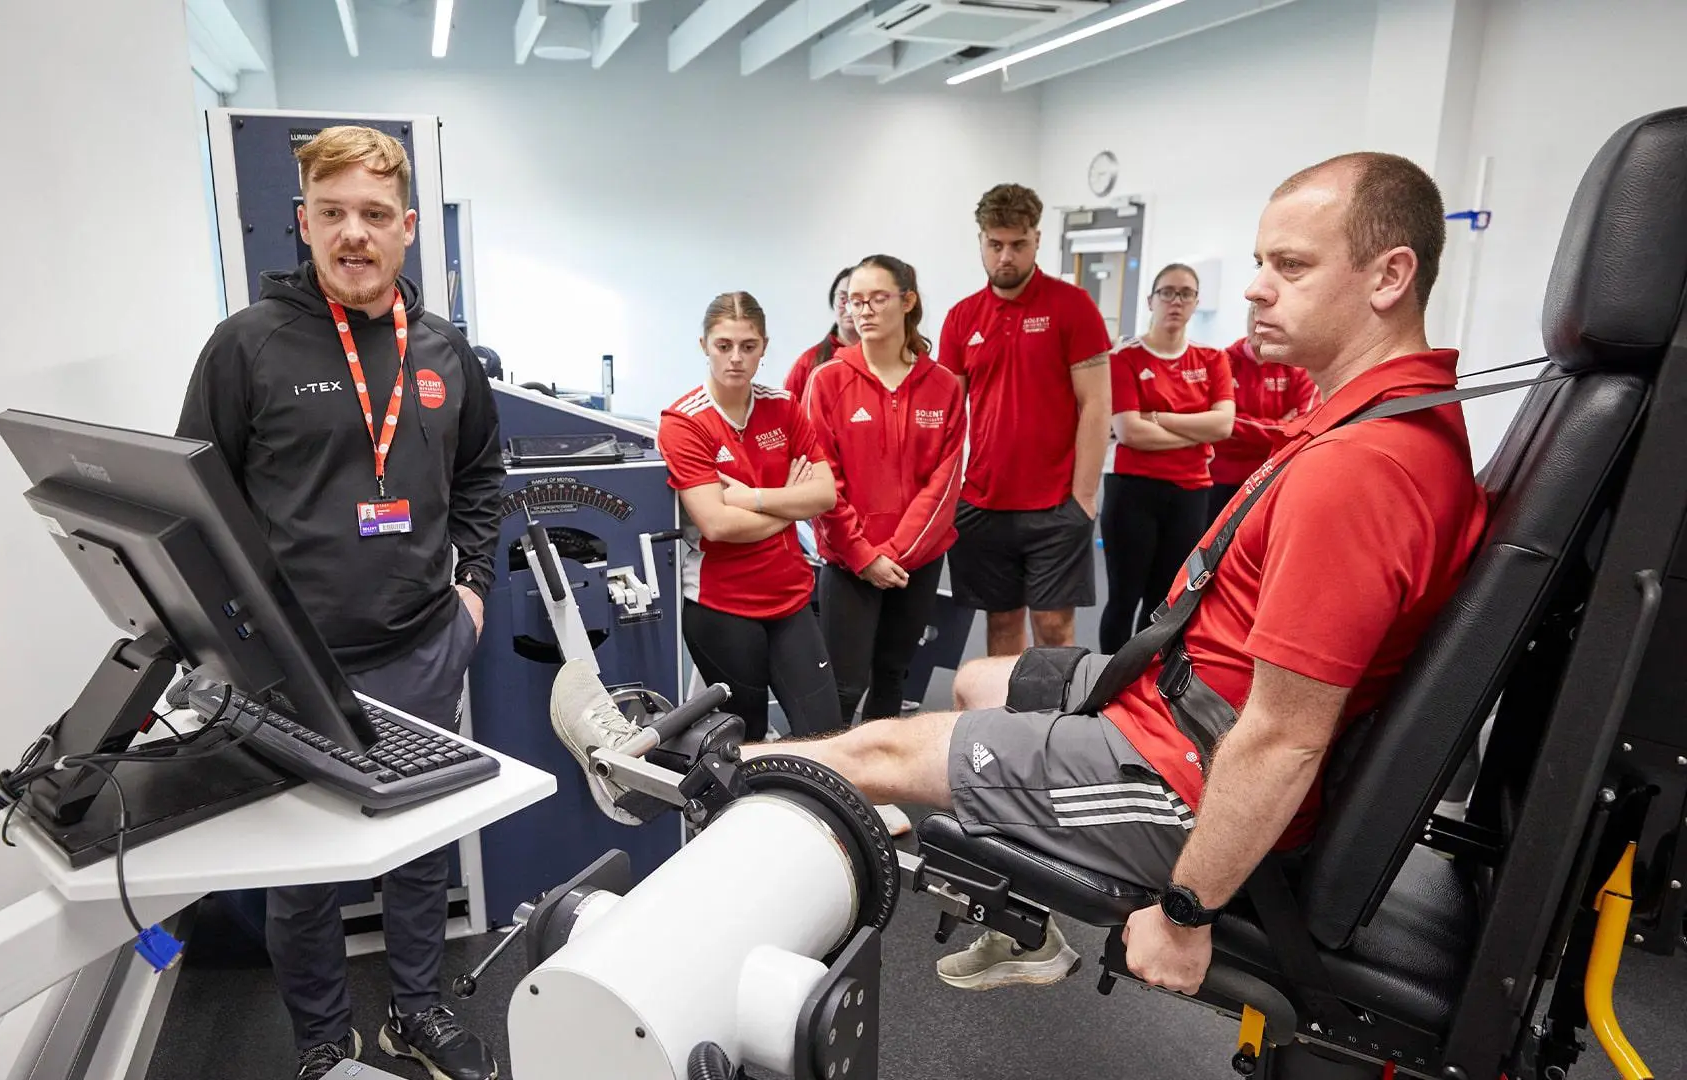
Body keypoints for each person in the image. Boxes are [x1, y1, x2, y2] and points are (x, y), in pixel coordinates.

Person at [555, 151, 1485, 999]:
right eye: (1261, 262)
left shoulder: (1364, 468)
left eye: (1289, 267)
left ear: (1389, 276)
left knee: (887, 752)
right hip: (1179, 693)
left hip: (1186, 769)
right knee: (977, 677)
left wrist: (1190, 912)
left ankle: (649, 765)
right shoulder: (1375, 423)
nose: (1253, 290)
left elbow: (1283, 739)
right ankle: (1022, 929)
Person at [176, 125, 502, 1080]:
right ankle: (322, 1039)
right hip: (294, 662)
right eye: (332, 214)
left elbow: (483, 476)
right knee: (305, 868)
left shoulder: (444, 350)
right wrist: (237, 640)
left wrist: (473, 594)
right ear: (302, 222)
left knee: (416, 846)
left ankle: (415, 1009)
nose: (353, 235)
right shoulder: (248, 345)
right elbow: (197, 504)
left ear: (407, 228)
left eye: (372, 215)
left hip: (423, 644)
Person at [656, 291, 843, 748]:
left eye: (749, 346)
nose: (736, 358)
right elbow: (717, 525)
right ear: (704, 345)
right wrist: (787, 507)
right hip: (723, 606)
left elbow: (824, 494)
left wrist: (753, 498)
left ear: (764, 346)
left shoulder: (783, 406)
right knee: (747, 741)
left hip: (790, 597)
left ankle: (819, 820)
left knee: (826, 735)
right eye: (724, 346)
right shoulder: (684, 422)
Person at [939, 184, 1113, 657]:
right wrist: (949, 493)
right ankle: (1006, 729)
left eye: (1018, 244)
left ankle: (1055, 728)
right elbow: (950, 418)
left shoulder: (1072, 307)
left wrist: (1084, 496)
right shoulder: (961, 318)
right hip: (983, 500)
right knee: (1001, 625)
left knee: (1054, 629)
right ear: (981, 242)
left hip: (1056, 503)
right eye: (995, 245)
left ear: (1037, 238)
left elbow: (1097, 405)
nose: (1006, 257)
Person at [804, 255, 965, 727]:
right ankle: (826, 783)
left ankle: (879, 779)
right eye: (856, 301)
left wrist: (896, 552)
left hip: (916, 561)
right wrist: (863, 555)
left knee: (893, 676)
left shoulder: (942, 386)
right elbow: (823, 480)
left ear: (907, 301)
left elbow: (945, 479)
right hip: (850, 561)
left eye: (877, 298)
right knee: (842, 684)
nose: (864, 311)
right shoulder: (828, 380)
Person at [1099, 265, 1235, 653]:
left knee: (1165, 600)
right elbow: (1128, 432)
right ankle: (1106, 679)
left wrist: (1156, 417)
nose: (1176, 301)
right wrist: (1195, 429)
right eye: (1167, 293)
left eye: (1186, 294)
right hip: (1132, 492)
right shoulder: (1124, 359)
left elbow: (1223, 426)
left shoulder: (1212, 360)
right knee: (1124, 598)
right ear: (1150, 300)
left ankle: (1141, 686)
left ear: (1196, 303)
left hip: (1190, 494)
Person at [1207, 305, 1320, 520]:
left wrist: (1230, 422)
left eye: (1268, 316)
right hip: (1220, 479)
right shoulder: (1220, 362)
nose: (1259, 322)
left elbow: (1301, 431)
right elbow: (1212, 424)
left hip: (1271, 478)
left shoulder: (1297, 368)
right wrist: (1280, 425)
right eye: (1254, 313)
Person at [783, 266, 860, 401]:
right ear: (832, 301)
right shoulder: (808, 363)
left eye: (857, 300)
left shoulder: (885, 359)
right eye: (843, 299)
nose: (849, 308)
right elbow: (786, 416)